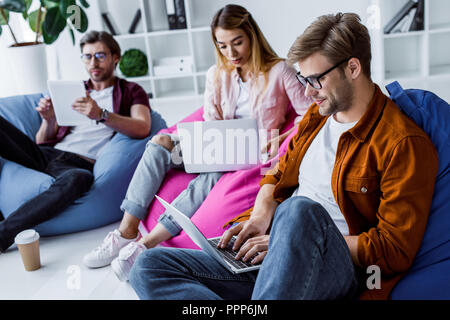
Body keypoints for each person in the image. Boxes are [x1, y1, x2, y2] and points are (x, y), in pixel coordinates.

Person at [127, 12, 439, 300]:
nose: (307, 92)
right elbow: (277, 174)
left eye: (315, 80)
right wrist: (263, 214)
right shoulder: (318, 118)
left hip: (335, 267)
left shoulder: (402, 143)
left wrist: (286, 241)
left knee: (298, 211)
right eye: (303, 80)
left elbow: (395, 249)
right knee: (150, 266)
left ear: (353, 68)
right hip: (275, 256)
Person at [83, 4, 311, 282]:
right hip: (218, 143)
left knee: (209, 177)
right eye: (223, 45)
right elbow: (209, 119)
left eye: (238, 42)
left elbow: (308, 113)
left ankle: (146, 245)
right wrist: (187, 141)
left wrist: (282, 138)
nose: (231, 53)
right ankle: (126, 231)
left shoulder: (279, 71)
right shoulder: (217, 74)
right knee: (158, 144)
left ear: (252, 36)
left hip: (253, 152)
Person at [0, 31, 151, 252]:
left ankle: (4, 233)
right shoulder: (73, 90)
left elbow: (143, 126)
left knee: (79, 179)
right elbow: (41, 141)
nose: (93, 62)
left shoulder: (131, 91)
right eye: (87, 56)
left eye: (100, 55)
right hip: (47, 155)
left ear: (115, 57)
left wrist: (102, 114)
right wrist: (48, 119)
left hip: (78, 164)